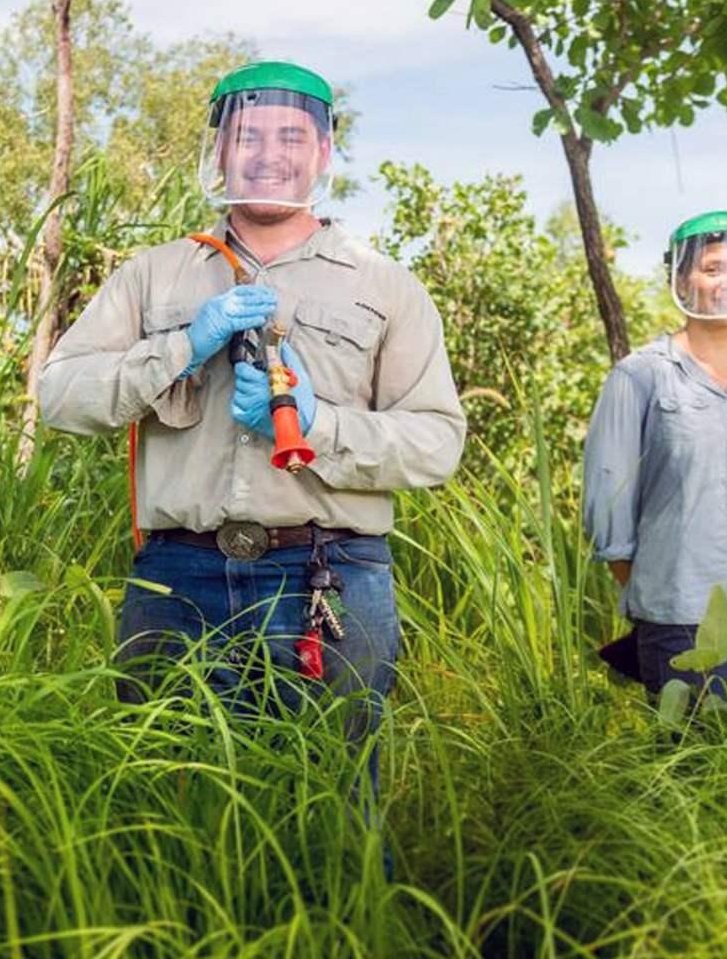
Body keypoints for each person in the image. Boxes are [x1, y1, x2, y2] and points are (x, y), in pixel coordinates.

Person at [35, 60, 466, 791]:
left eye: (293, 136)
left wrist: (318, 426)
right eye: (249, 135)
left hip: (329, 578)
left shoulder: (384, 285)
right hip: (177, 576)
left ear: (323, 153)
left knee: (332, 799)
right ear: (220, 149)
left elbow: (436, 443)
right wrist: (179, 348)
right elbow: (59, 396)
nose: (270, 152)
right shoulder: (155, 275)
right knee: (168, 798)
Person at [584, 211, 727, 739]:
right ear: (684, 277)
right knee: (691, 767)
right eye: (714, 268)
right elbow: (609, 509)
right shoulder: (640, 376)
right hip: (679, 608)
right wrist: (660, 590)